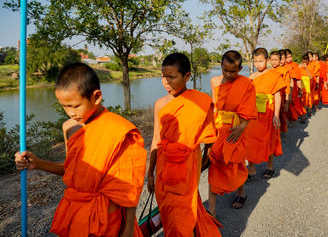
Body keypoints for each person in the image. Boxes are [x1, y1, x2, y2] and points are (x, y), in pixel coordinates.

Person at [15, 62, 147, 237]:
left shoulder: (121, 131)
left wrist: (128, 228)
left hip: (107, 219)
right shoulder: (69, 128)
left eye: (75, 106)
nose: (70, 112)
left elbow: (130, 187)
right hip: (74, 212)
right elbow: (73, 171)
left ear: (96, 96)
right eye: (64, 106)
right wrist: (37, 164)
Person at [146, 53, 222, 237]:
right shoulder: (160, 104)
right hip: (164, 165)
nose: (165, 82)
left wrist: (203, 161)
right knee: (167, 209)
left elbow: (210, 138)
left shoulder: (200, 102)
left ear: (187, 76)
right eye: (163, 76)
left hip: (187, 164)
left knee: (182, 211)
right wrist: (150, 172)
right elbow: (156, 138)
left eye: (171, 77)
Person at [208, 50, 257, 214]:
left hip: (237, 128)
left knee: (237, 162)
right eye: (225, 70)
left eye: (233, 71)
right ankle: (212, 210)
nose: (228, 74)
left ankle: (241, 193)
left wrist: (242, 128)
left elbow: (249, 108)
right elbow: (214, 106)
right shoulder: (214, 81)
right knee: (215, 165)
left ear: (240, 68)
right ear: (220, 65)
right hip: (219, 128)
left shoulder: (247, 84)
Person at [246, 49, 286, 180]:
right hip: (254, 112)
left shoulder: (274, 75)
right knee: (250, 139)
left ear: (267, 61)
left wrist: (276, 115)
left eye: (261, 61)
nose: (258, 64)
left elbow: (278, 95)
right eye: (256, 61)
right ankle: (251, 168)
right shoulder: (251, 77)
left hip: (269, 111)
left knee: (269, 139)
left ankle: (270, 166)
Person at [284, 49, 304, 125]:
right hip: (284, 88)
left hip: (293, 88)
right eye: (288, 57)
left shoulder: (294, 65)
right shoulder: (282, 65)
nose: (290, 59)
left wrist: (300, 89)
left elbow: (298, 78)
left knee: (293, 103)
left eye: (290, 57)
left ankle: (292, 119)